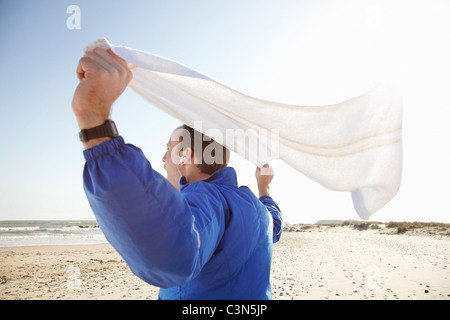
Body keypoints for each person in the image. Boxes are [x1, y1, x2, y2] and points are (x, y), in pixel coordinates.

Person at [72, 47, 282, 299]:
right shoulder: (251, 204)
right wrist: (264, 188)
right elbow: (275, 226)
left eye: (168, 149)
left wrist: (94, 121)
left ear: (187, 155)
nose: (162, 158)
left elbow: (176, 255)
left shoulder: (205, 198)